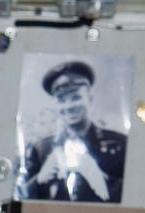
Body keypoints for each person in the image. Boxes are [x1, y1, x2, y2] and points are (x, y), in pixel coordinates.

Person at [17, 61, 125, 203]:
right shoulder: (41, 148)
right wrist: (38, 180)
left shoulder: (121, 143)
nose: (69, 106)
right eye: (61, 100)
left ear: (89, 99)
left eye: (76, 98)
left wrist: (103, 180)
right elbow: (19, 199)